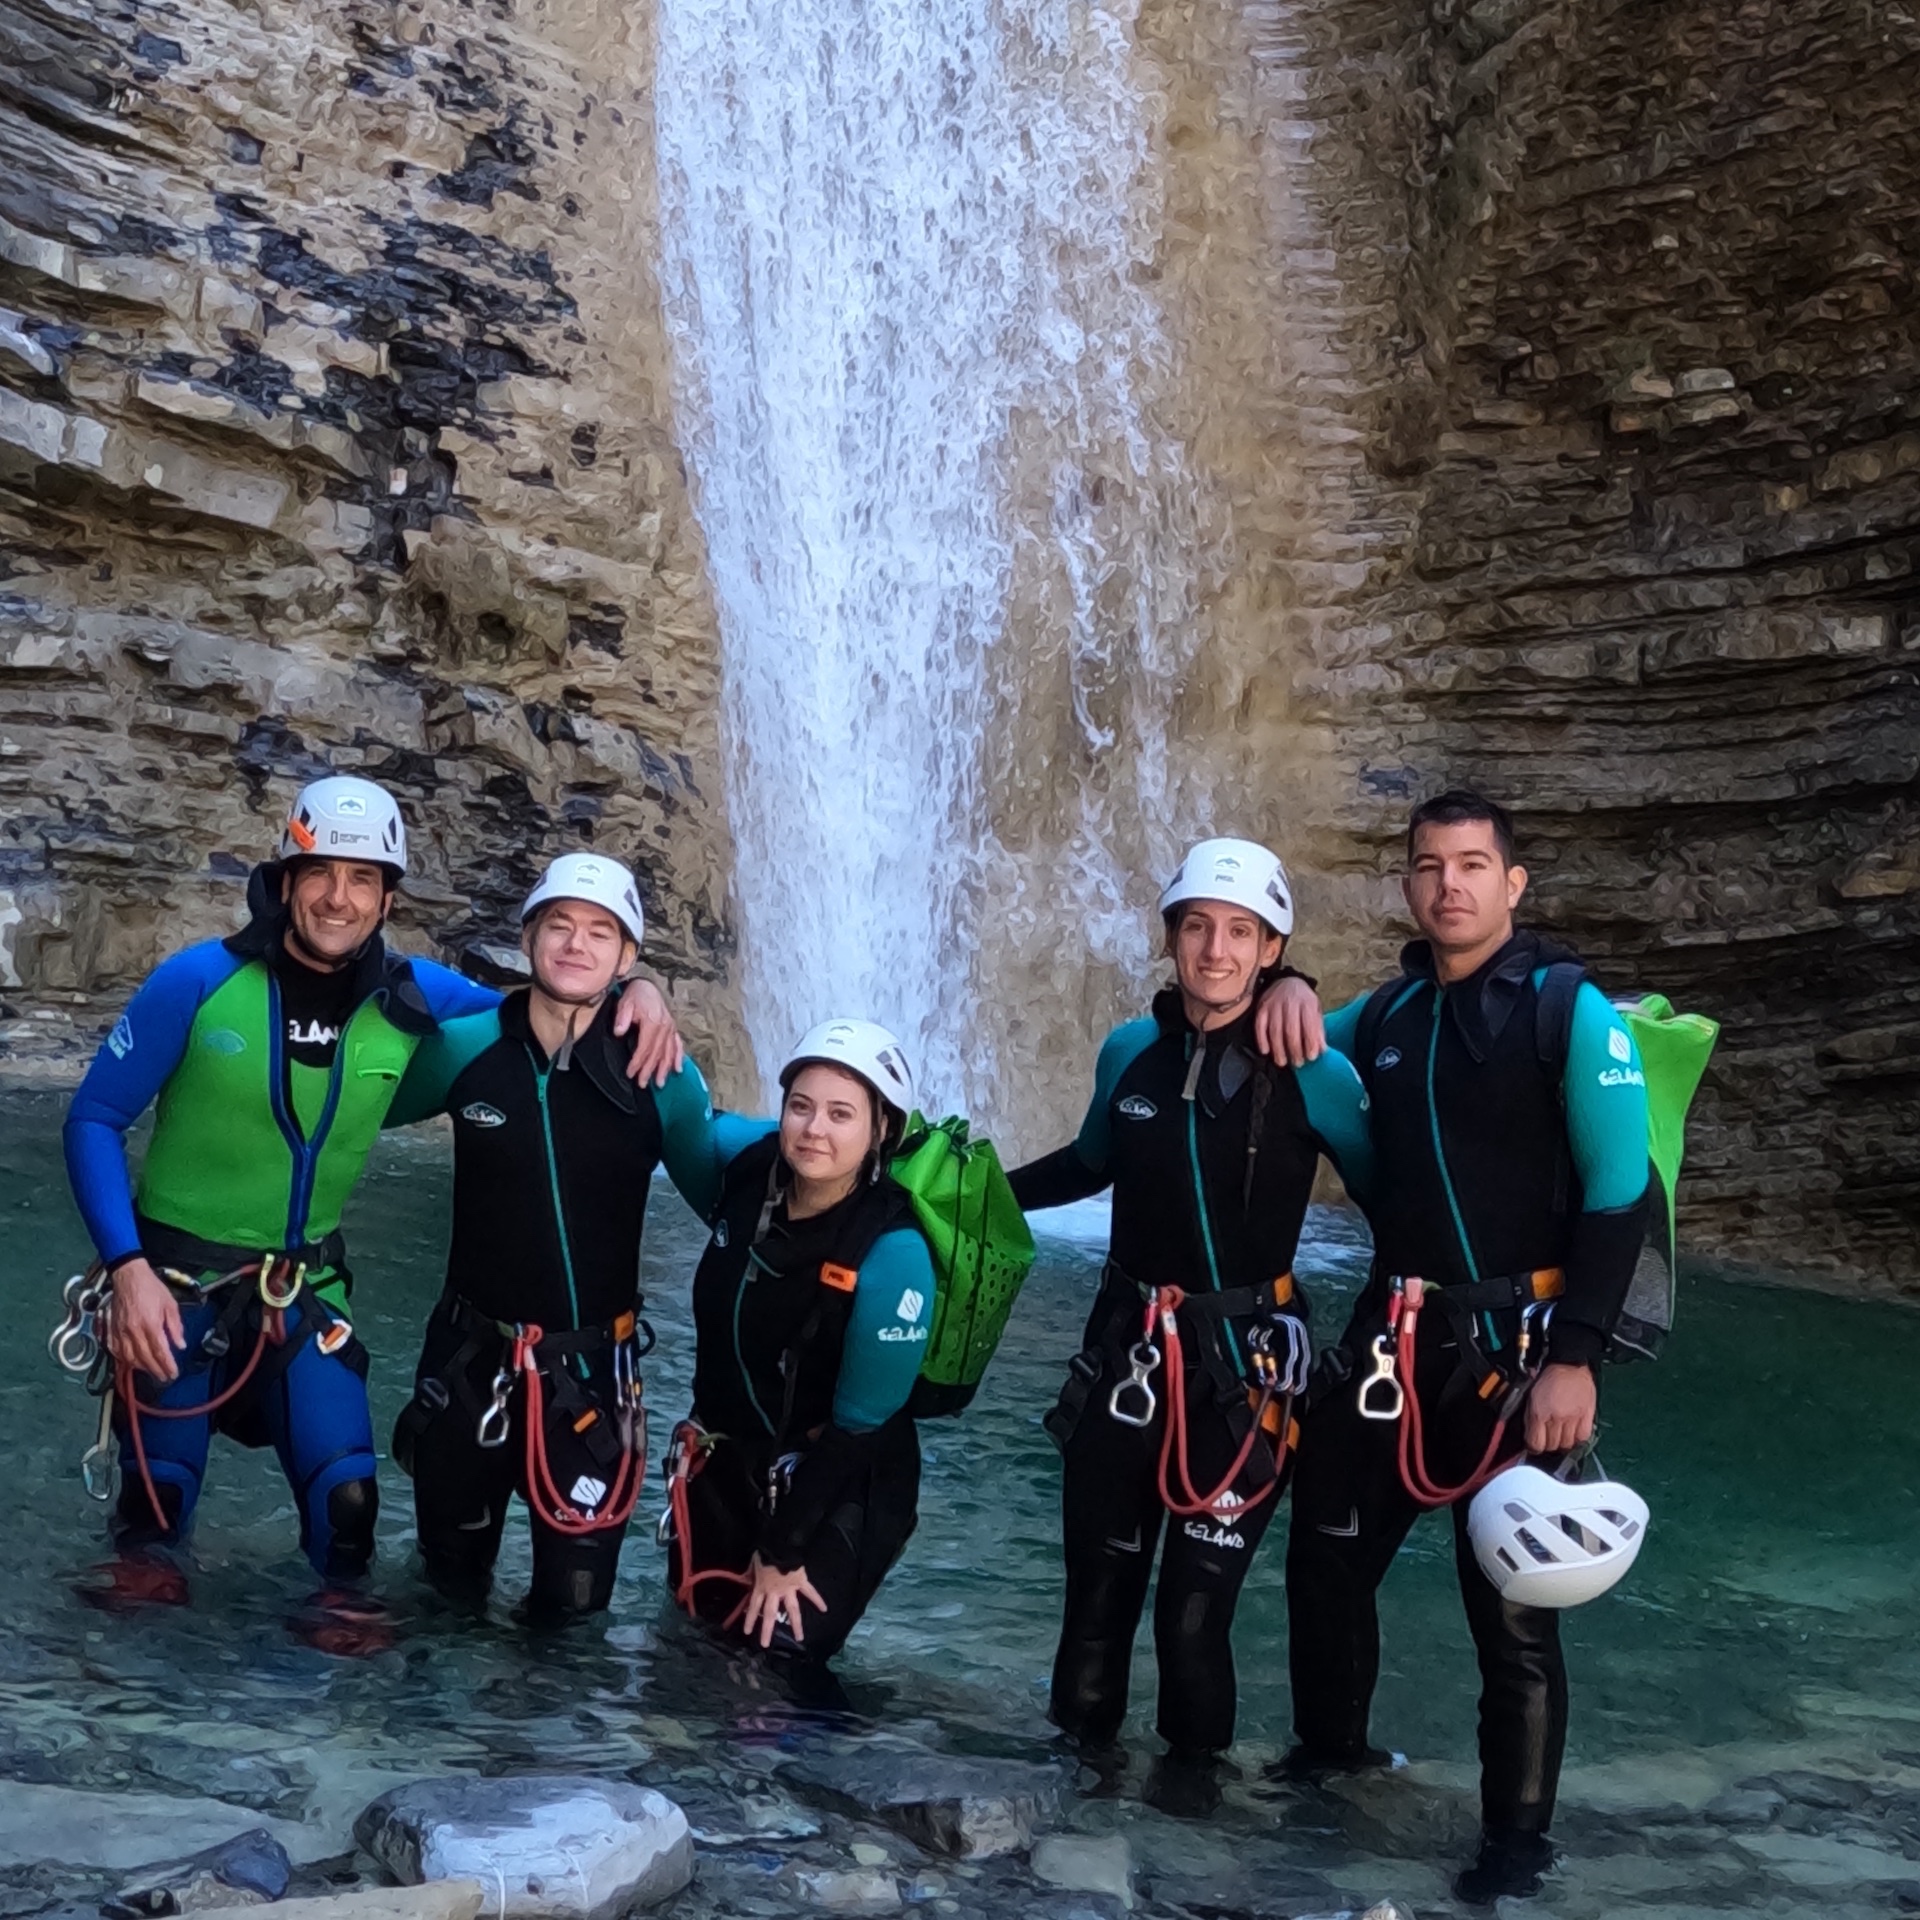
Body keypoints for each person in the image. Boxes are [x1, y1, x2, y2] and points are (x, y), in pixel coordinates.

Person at [61, 778, 681, 1626]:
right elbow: (94, 1118)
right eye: (321, 872)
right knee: (152, 1528)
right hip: (172, 1288)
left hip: (303, 1293)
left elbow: (547, 1009)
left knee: (350, 1514)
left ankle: (336, 1740)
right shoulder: (198, 983)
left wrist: (642, 991)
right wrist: (127, 1270)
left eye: (363, 879)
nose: (338, 897)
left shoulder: (418, 999)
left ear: (389, 897)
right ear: (285, 881)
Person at [1253, 790, 1650, 1903]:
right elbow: (1279, 1038)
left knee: (1514, 1620)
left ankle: (1515, 1852)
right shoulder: (1385, 1017)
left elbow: (1623, 1193)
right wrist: (1291, 982)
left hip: (1521, 1348)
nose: (1450, 885)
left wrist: (1577, 1357)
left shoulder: (1569, 1013)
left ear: (1512, 885)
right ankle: (1330, 1771)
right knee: (1326, 1564)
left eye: (1473, 865)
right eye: (1429, 866)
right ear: (1409, 885)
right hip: (1392, 1341)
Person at [1007, 838, 1373, 1803]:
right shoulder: (1131, 1051)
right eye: (1198, 926)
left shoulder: (1313, 1067)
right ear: (1171, 938)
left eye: (1240, 932)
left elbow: (1400, 1206)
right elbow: (1087, 1165)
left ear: (1272, 948)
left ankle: (1189, 1824)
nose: (1216, 949)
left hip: (1245, 1375)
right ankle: (1070, 1807)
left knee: (1193, 1616)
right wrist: (968, 1195)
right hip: (1125, 1353)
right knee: (1095, 1599)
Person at [382, 853, 720, 1625]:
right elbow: (340, 1118)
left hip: (591, 1380)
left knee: (571, 1620)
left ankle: (544, 1747)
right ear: (528, 936)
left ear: (628, 957)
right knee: (445, 1595)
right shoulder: (466, 1049)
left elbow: (726, 1217)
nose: (576, 944)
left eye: (601, 933)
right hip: (469, 1363)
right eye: (559, 925)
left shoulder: (659, 1073)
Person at [661, 1018, 937, 1669]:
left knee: (776, 1668)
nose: (814, 1129)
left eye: (842, 1114)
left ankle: (846, 1770)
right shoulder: (746, 1168)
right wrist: (634, 991)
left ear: (882, 1132)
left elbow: (858, 1430)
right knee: (693, 1653)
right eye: (801, 1106)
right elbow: (674, 1114)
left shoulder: (895, 1255)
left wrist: (784, 1552)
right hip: (727, 1460)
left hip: (843, 1476)